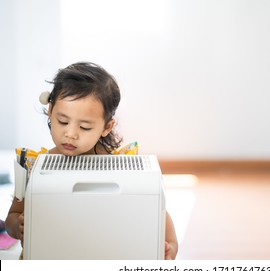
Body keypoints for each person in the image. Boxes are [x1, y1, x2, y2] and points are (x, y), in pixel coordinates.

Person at [5, 62, 178, 260]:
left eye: (85, 127)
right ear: (51, 110)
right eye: (62, 121)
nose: (70, 134)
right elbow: (13, 215)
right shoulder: (34, 167)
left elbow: (157, 211)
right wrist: (16, 226)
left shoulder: (121, 168)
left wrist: (171, 244)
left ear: (106, 126)